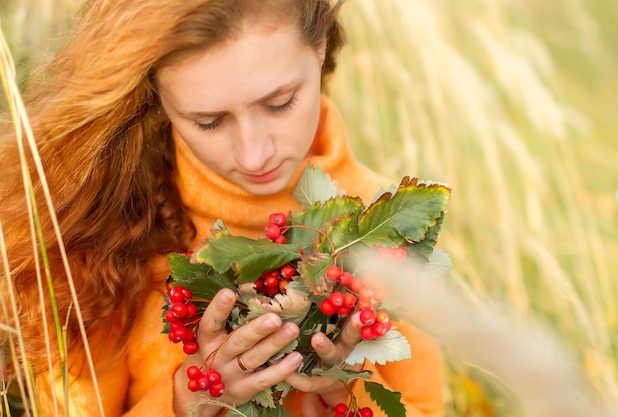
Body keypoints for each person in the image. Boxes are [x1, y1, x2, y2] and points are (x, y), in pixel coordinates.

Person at [0, 0, 444, 416]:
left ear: (321, 45)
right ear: (155, 92)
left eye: (279, 103)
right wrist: (191, 396)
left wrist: (344, 389)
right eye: (209, 121)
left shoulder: (384, 225)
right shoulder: (94, 223)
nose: (254, 155)